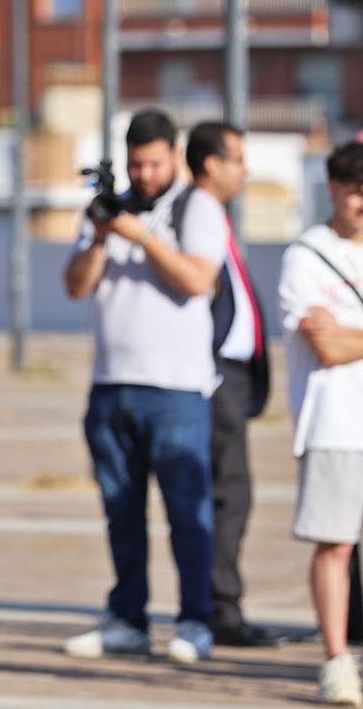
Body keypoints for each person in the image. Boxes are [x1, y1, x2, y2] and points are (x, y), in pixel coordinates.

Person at [62, 108, 226, 664]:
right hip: (111, 385)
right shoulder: (110, 208)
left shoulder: (196, 205)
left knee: (188, 511)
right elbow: (76, 287)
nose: (146, 174)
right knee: (121, 510)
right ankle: (127, 618)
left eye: (154, 164)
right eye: (137, 164)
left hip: (177, 390)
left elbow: (198, 280)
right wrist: (102, 235)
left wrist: (142, 236)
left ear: (174, 156)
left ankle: (195, 622)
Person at [183, 122, 286, 649]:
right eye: (237, 158)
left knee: (231, 492)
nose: (245, 169)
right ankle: (220, 609)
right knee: (230, 493)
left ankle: (218, 604)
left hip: (233, 374)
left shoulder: (213, 212)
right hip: (217, 372)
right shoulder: (197, 209)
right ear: (210, 164)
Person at [276, 140, 363, 707]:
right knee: (334, 544)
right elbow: (326, 348)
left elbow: (341, 337)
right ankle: (336, 660)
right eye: (357, 193)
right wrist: (340, 340)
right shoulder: (307, 255)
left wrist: (348, 334)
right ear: (333, 189)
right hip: (337, 423)